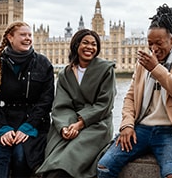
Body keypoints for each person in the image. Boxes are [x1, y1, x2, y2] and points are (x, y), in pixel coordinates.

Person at [97, 4, 172, 178]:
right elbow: (130, 98)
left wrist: (157, 69)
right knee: (104, 166)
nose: (153, 49)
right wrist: (127, 125)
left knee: (171, 174)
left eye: (159, 43)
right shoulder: (142, 64)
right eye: (150, 43)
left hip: (171, 131)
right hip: (142, 128)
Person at [36, 29, 117, 178]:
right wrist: (65, 128)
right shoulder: (65, 74)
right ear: (76, 45)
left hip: (97, 124)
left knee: (64, 166)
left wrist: (80, 123)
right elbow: (61, 105)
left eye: (94, 44)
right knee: (53, 163)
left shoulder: (106, 69)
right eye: (85, 43)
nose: (90, 47)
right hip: (68, 123)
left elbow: (105, 105)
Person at [0, 21, 55, 178]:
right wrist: (3, 128)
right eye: (23, 35)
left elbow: (46, 101)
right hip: (6, 123)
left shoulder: (42, 63)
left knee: (21, 156)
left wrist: (29, 126)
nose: (28, 38)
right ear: (10, 37)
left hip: (34, 124)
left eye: (30, 35)